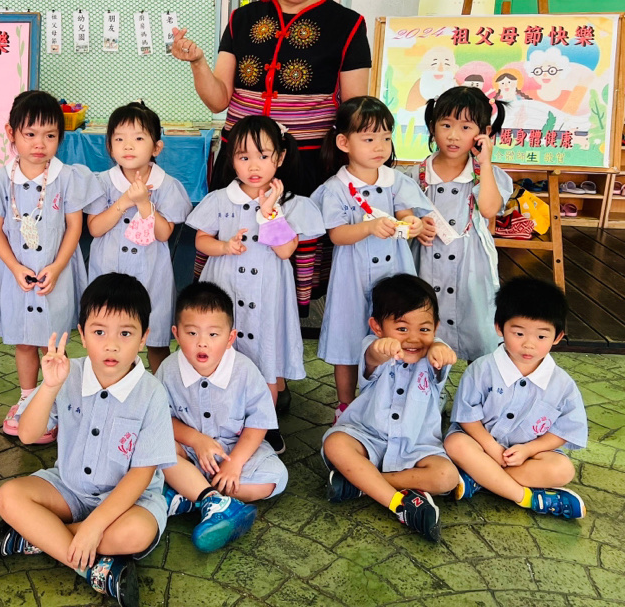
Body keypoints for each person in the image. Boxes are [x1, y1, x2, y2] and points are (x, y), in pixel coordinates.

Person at [172, 0, 371, 315]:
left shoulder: (348, 24)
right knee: (232, 248)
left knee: (290, 257)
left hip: (307, 164)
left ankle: (281, 337)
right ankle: (221, 332)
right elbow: (218, 99)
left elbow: (354, 111)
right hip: (241, 160)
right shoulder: (242, 20)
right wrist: (198, 62)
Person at [0, 273, 176, 607]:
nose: (111, 344)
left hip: (129, 502)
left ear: (144, 338)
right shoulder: (67, 373)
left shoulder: (152, 393)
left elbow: (141, 475)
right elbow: (28, 434)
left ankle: (39, 538)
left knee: (137, 533)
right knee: (8, 496)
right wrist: (49, 386)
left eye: (125, 333)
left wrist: (94, 525)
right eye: (99, 332)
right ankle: (94, 570)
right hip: (69, 488)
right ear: (82, 333)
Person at [186, 115, 324, 454]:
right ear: (232, 159)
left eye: (263, 156)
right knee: (222, 355)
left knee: (266, 361)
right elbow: (201, 240)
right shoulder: (220, 199)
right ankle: (220, 422)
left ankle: (265, 426)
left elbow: (285, 250)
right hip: (226, 289)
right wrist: (223, 246)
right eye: (243, 156)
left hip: (268, 295)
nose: (253, 165)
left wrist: (269, 211)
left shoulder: (290, 202)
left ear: (280, 157)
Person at [0, 90, 102, 439]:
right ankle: (28, 397)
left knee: (53, 342)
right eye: (30, 134)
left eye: (50, 135)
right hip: (15, 273)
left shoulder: (69, 177)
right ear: (11, 133)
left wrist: (58, 267)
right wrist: (15, 267)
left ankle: (55, 400)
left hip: (55, 273)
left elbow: (74, 227)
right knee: (23, 341)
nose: (39, 144)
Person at [312, 97, 432, 420]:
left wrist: (414, 224)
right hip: (351, 277)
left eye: (386, 137)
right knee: (348, 338)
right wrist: (367, 227)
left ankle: (391, 399)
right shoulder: (336, 188)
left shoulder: (395, 181)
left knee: (396, 334)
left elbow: (407, 216)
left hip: (395, 273)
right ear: (344, 143)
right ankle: (345, 406)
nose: (380, 146)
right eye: (368, 139)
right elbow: (337, 234)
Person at [321, 275, 459, 542]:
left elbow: (442, 356)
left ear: (436, 327)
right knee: (336, 443)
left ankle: (360, 483)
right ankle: (399, 504)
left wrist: (440, 347)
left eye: (424, 329)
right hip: (368, 437)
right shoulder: (374, 349)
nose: (414, 339)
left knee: (447, 477)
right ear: (377, 326)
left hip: (417, 446)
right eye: (402, 328)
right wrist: (381, 347)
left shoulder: (435, 355)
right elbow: (373, 356)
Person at [155, 282, 287, 552]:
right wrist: (196, 440)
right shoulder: (168, 370)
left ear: (230, 337)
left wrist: (235, 463)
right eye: (192, 332)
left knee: (276, 478)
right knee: (156, 448)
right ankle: (215, 501)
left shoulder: (245, 370)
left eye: (213, 334)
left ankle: (191, 496)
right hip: (188, 453)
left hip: (233, 452)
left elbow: (258, 422)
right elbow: (159, 419)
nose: (202, 342)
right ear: (176, 333)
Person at [444, 277, 588, 520]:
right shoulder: (481, 369)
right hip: (479, 444)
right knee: (455, 444)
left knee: (562, 470)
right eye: (519, 333)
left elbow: (565, 430)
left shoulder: (562, 384)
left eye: (541, 337)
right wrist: (491, 448)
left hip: (526, 455)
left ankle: (479, 479)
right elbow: (467, 417)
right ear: (499, 328)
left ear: (557, 337)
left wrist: (529, 449)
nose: (529, 344)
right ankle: (528, 497)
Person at [408, 86, 512, 360]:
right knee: (424, 330)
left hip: (471, 266)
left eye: (466, 127)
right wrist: (415, 225)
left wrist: (485, 163)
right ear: (433, 127)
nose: (453, 135)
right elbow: (401, 215)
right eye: (446, 125)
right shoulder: (414, 175)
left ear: (483, 133)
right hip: (425, 264)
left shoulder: (489, 175)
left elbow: (489, 209)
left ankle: (478, 384)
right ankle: (427, 383)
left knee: (477, 329)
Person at [86, 102, 192, 372]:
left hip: (152, 273)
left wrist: (144, 203)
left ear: (157, 147)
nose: (128, 146)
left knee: (156, 339)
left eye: (139, 138)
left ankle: (163, 390)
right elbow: (95, 228)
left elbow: (164, 233)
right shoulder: (101, 182)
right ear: (109, 146)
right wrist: (124, 201)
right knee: (109, 337)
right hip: (108, 271)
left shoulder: (167, 185)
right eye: (119, 139)